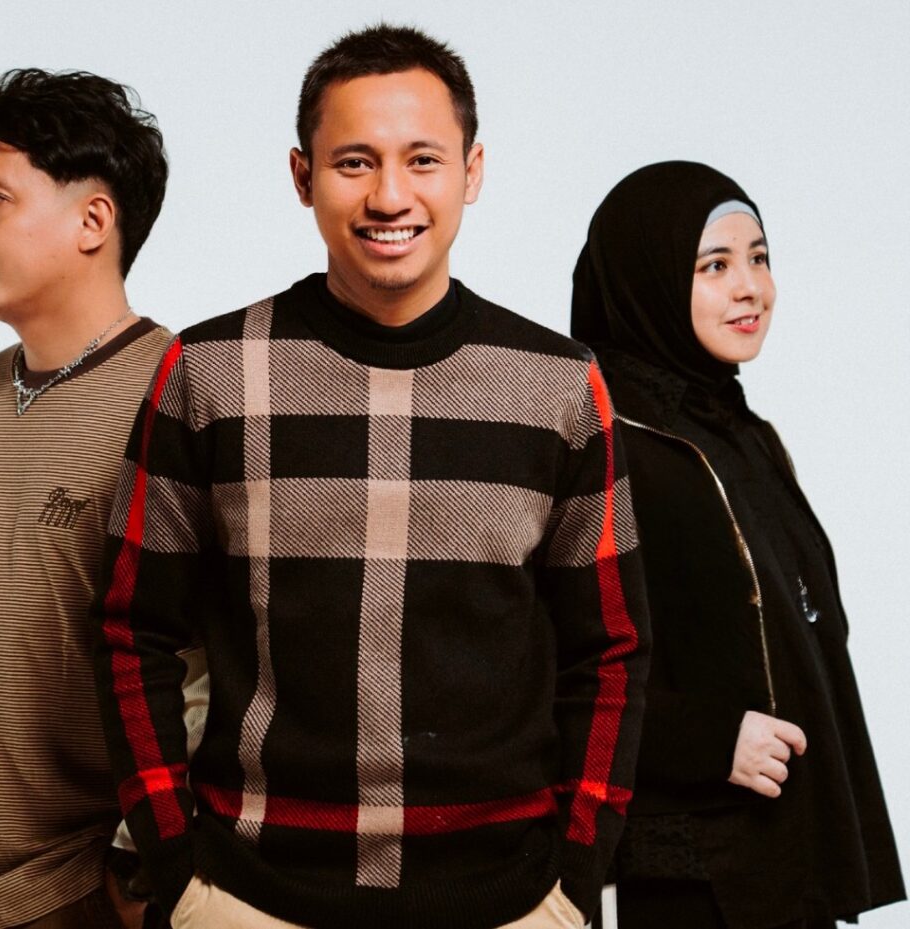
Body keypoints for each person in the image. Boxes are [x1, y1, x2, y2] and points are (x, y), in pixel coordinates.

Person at [91, 23, 650, 929]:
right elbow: (131, 632)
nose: (390, 195)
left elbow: (612, 652)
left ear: (471, 171)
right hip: (249, 896)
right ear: (302, 175)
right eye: (355, 162)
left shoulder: (558, 386)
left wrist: (574, 878)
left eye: (422, 159)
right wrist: (176, 862)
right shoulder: (208, 373)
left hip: (509, 900)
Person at [571, 161, 905, 929]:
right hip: (687, 867)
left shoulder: (739, 432)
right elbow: (562, 661)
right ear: (649, 281)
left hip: (782, 853)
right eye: (714, 266)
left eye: (759, 257)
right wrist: (709, 740)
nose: (751, 287)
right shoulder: (608, 442)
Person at [0, 69, 174, 929]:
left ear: (93, 221)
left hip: (76, 893)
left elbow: (211, 669)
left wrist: (133, 870)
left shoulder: (177, 396)